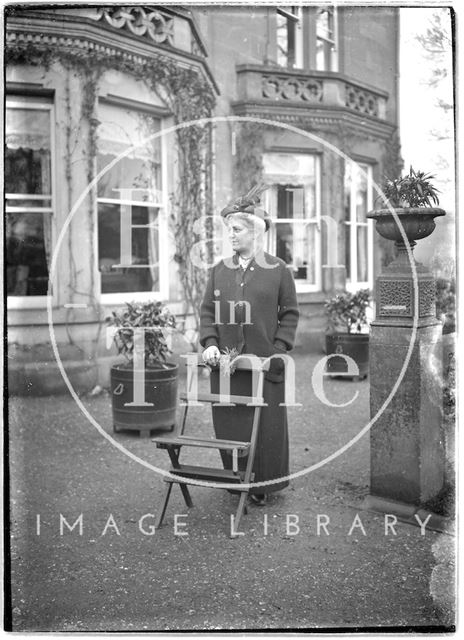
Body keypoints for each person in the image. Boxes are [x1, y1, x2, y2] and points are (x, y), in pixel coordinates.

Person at [199, 184, 299, 505]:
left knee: (266, 428)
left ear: (255, 233)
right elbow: (207, 313)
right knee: (231, 426)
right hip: (227, 369)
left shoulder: (278, 270)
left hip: (264, 366)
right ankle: (236, 481)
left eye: (237, 229)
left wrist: (279, 351)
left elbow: (291, 314)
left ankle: (262, 487)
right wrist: (210, 343)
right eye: (229, 229)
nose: (231, 235)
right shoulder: (219, 271)